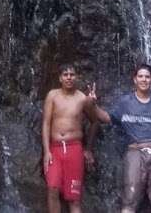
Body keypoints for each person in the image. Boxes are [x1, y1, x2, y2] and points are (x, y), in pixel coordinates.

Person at [90, 63, 151, 213]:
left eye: (147, 77)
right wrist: (93, 104)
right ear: (134, 79)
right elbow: (107, 118)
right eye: (140, 76)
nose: (144, 79)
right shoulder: (125, 102)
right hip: (135, 152)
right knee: (129, 200)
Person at [42, 62, 99, 213]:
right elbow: (46, 124)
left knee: (74, 197)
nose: (69, 78)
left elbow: (94, 122)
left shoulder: (82, 99)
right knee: (52, 188)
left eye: (72, 74)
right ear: (60, 78)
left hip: (75, 148)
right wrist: (47, 151)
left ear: (76, 77)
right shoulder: (52, 95)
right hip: (55, 149)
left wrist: (88, 149)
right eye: (65, 75)